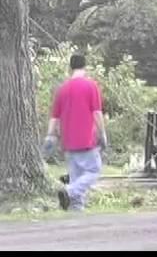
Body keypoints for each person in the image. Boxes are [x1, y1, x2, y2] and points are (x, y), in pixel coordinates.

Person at [42, 53, 108, 211]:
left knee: (76, 180)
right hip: (86, 140)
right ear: (85, 67)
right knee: (93, 170)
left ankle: (75, 217)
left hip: (68, 143)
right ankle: (68, 191)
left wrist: (50, 137)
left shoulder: (62, 89)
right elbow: (97, 113)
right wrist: (103, 134)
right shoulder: (91, 86)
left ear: (70, 68)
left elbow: (54, 118)